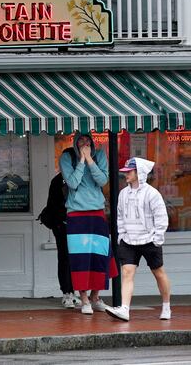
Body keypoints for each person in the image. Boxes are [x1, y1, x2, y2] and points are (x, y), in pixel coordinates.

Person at [105, 157, 171, 322]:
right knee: (127, 273)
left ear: (139, 173)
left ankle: (166, 305)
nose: (125, 175)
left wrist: (157, 239)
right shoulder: (123, 194)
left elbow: (161, 218)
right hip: (129, 241)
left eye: (129, 172)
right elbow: (119, 216)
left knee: (159, 273)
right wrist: (121, 235)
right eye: (125, 172)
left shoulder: (152, 194)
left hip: (149, 240)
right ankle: (125, 309)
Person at [59, 132, 117, 315]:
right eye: (80, 140)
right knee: (80, 259)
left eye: (87, 140)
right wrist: (82, 161)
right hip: (76, 214)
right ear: (75, 142)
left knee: (101, 256)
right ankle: (83, 299)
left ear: (92, 141)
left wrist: (90, 160)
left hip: (97, 211)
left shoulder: (99, 155)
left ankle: (95, 297)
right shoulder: (67, 157)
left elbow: (102, 180)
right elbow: (73, 183)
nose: (84, 143)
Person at [48, 149, 79, 309]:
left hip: (77, 223)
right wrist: (62, 221)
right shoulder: (58, 181)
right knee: (65, 257)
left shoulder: (79, 179)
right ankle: (67, 292)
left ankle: (76, 291)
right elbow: (52, 205)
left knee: (77, 258)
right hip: (62, 224)